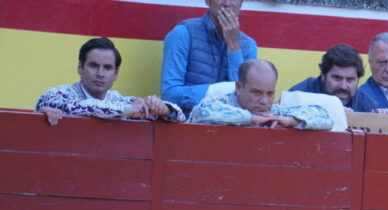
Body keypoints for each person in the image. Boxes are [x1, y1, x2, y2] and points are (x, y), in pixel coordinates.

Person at [36, 37, 185, 127]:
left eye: (107, 68)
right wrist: (129, 111)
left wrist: (163, 108)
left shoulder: (119, 100)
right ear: (80, 67)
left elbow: (180, 117)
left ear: (116, 74)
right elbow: (87, 107)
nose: (100, 74)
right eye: (93, 66)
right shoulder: (56, 96)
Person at [161, 0, 258, 114]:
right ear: (207, 1)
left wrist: (233, 44)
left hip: (230, 126)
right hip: (187, 124)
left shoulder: (249, 45)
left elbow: (244, 100)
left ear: (241, 3)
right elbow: (169, 94)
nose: (227, 3)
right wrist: (216, 93)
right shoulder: (182, 33)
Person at [188, 59, 332, 130]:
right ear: (239, 87)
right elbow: (201, 111)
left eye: (270, 94)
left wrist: (290, 120)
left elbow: (324, 117)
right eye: (256, 93)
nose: (264, 101)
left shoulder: (274, 113)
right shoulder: (218, 104)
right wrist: (252, 119)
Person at [289, 43, 364, 109]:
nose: (343, 86)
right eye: (337, 78)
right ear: (323, 76)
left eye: (350, 79)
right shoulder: (298, 96)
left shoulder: (365, 103)